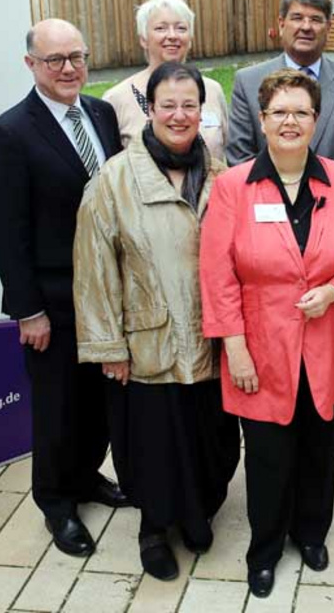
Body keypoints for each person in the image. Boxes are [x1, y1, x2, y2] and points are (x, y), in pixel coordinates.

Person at [200, 69, 334, 599]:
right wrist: (233, 347)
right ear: (260, 121)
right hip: (259, 348)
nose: (289, 121)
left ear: (315, 120)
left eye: (300, 112)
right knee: (267, 453)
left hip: (327, 342)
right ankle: (265, 547)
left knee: (319, 443)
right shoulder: (233, 187)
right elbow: (217, 275)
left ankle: (312, 533)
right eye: (279, 112)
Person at [73, 62, 239, 581]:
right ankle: (154, 527)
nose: (179, 115)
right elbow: (94, 267)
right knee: (153, 443)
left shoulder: (221, 176)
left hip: (210, 338)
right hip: (148, 342)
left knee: (211, 437)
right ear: (149, 108)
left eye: (190, 104)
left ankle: (199, 513)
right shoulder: (115, 179)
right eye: (168, 104)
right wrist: (108, 348)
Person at [0, 18, 128, 557]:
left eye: (77, 57)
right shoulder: (9, 133)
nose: (69, 69)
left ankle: (87, 476)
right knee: (57, 406)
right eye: (55, 60)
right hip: (53, 300)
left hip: (106, 294)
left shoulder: (102, 114)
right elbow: (4, 232)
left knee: (96, 402)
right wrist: (27, 311)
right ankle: (57, 503)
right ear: (31, 66)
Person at [227, 0, 334, 477]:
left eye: (316, 19)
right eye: (297, 18)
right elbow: (240, 153)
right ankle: (284, 434)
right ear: (281, 24)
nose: (306, 26)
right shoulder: (248, 81)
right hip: (270, 226)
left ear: (328, 27)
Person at [102, 0, 229, 159]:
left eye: (181, 28)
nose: (172, 36)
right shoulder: (116, 99)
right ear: (143, 39)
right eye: (160, 28)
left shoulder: (212, 91)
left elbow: (227, 150)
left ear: (190, 39)